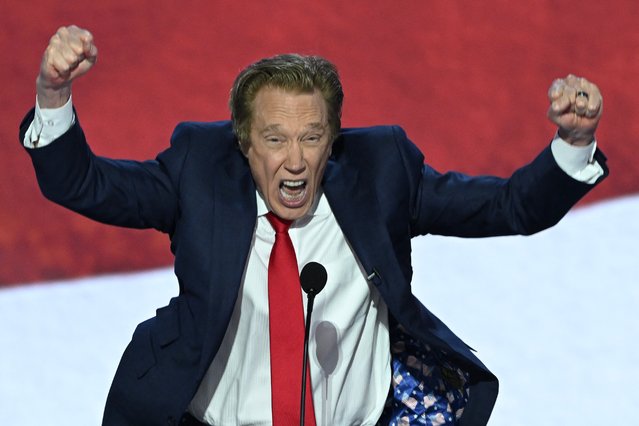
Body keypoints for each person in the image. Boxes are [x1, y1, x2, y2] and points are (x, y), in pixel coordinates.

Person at [20, 25, 607, 426]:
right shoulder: (198, 172)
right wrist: (53, 94)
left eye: (312, 137)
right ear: (244, 141)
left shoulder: (381, 174)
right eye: (275, 139)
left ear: (335, 138)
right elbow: (84, 185)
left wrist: (572, 143)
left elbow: (507, 208)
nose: (295, 161)